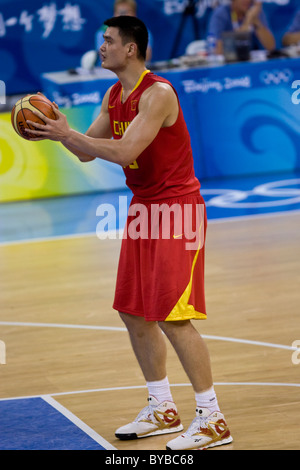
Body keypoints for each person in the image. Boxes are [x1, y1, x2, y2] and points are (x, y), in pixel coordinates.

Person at [26, 16, 233, 451]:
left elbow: (124, 151)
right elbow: (86, 153)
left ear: (131, 49)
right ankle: (161, 407)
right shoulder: (113, 93)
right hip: (144, 208)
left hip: (177, 210)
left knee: (173, 317)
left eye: (108, 41)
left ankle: (212, 418)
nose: (101, 47)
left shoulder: (157, 94)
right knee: (133, 312)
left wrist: (68, 134)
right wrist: (58, 131)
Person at [207, 0, 275, 55]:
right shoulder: (221, 14)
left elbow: (271, 46)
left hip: (249, 63)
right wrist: (248, 21)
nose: (247, 1)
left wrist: (256, 22)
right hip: (228, 66)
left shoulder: (254, 12)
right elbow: (217, 51)